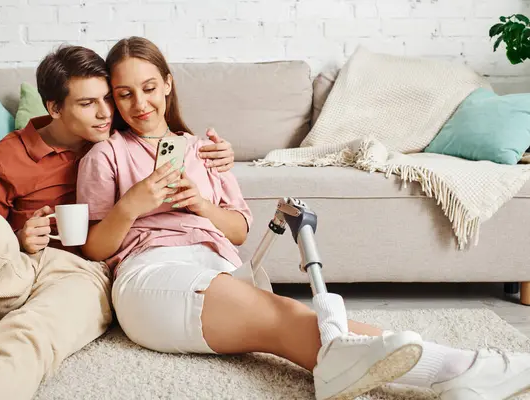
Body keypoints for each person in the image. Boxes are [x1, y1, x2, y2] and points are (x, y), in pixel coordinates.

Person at [77, 35, 530, 400]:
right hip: (152, 275)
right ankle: (466, 368)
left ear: (168, 85)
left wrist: (201, 204)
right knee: (285, 315)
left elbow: (238, 229)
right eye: (125, 94)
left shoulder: (204, 150)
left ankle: (460, 370)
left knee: (293, 322)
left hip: (217, 268)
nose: (140, 103)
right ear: (113, 100)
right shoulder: (106, 155)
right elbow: (93, 248)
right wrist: (134, 203)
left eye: (149, 88)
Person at [0, 45, 236, 400]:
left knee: (27, 336)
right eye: (87, 103)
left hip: (84, 275)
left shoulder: (119, 139)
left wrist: (220, 153)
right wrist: (20, 237)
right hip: (18, 268)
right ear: (55, 108)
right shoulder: (8, 154)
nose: (106, 113)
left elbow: (169, 135)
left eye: (109, 98)